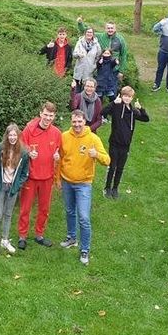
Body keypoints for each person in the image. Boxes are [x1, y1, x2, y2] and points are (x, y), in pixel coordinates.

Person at [56, 110, 110, 266]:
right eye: (74, 122)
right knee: (69, 211)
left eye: (80, 122)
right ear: (71, 122)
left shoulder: (93, 138)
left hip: (84, 184)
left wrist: (96, 155)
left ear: (84, 122)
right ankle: (72, 237)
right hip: (66, 181)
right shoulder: (64, 136)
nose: (77, 125)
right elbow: (59, 159)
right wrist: (57, 178)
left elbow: (107, 160)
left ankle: (85, 249)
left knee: (84, 218)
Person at [17, 102, 62, 250]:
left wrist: (57, 156)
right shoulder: (29, 129)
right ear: (40, 114)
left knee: (44, 208)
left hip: (47, 177)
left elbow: (58, 152)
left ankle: (39, 234)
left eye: (51, 116)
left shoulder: (56, 133)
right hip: (31, 176)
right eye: (46, 114)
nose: (48, 118)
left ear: (54, 117)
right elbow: (20, 148)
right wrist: (28, 152)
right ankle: (22, 236)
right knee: (25, 207)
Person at [0, 124, 30, 256]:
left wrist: (18, 185)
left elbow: (25, 172)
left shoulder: (24, 152)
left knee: (8, 214)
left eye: (15, 135)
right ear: (6, 136)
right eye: (10, 135)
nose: (12, 137)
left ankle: (5, 240)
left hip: (12, 188)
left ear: (18, 136)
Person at [102, 87, 149, 199]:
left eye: (129, 96)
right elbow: (102, 112)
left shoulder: (133, 111)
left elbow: (146, 119)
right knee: (112, 166)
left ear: (132, 98)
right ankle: (107, 188)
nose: (127, 98)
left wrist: (141, 109)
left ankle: (115, 188)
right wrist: (113, 103)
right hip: (114, 142)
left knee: (120, 168)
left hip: (126, 145)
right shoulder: (117, 107)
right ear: (121, 96)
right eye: (125, 96)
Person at [72, 25, 101, 93]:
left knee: (86, 92)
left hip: (89, 72)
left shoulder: (96, 45)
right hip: (79, 71)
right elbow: (74, 54)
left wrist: (94, 66)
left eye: (91, 32)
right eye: (88, 32)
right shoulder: (79, 42)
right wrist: (79, 55)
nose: (89, 34)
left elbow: (98, 56)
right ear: (85, 33)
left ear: (93, 34)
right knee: (76, 92)